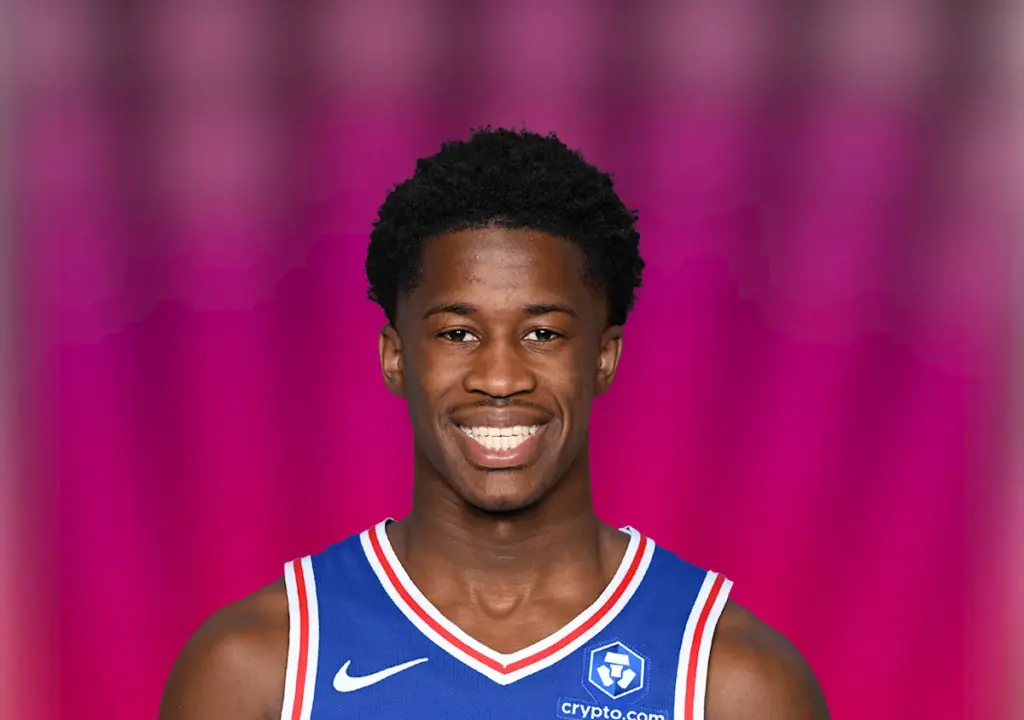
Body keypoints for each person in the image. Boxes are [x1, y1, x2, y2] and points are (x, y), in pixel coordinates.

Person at [160, 127, 830, 720]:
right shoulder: (260, 669)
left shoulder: (732, 681)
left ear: (603, 358)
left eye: (543, 334)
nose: (501, 378)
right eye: (458, 333)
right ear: (396, 358)